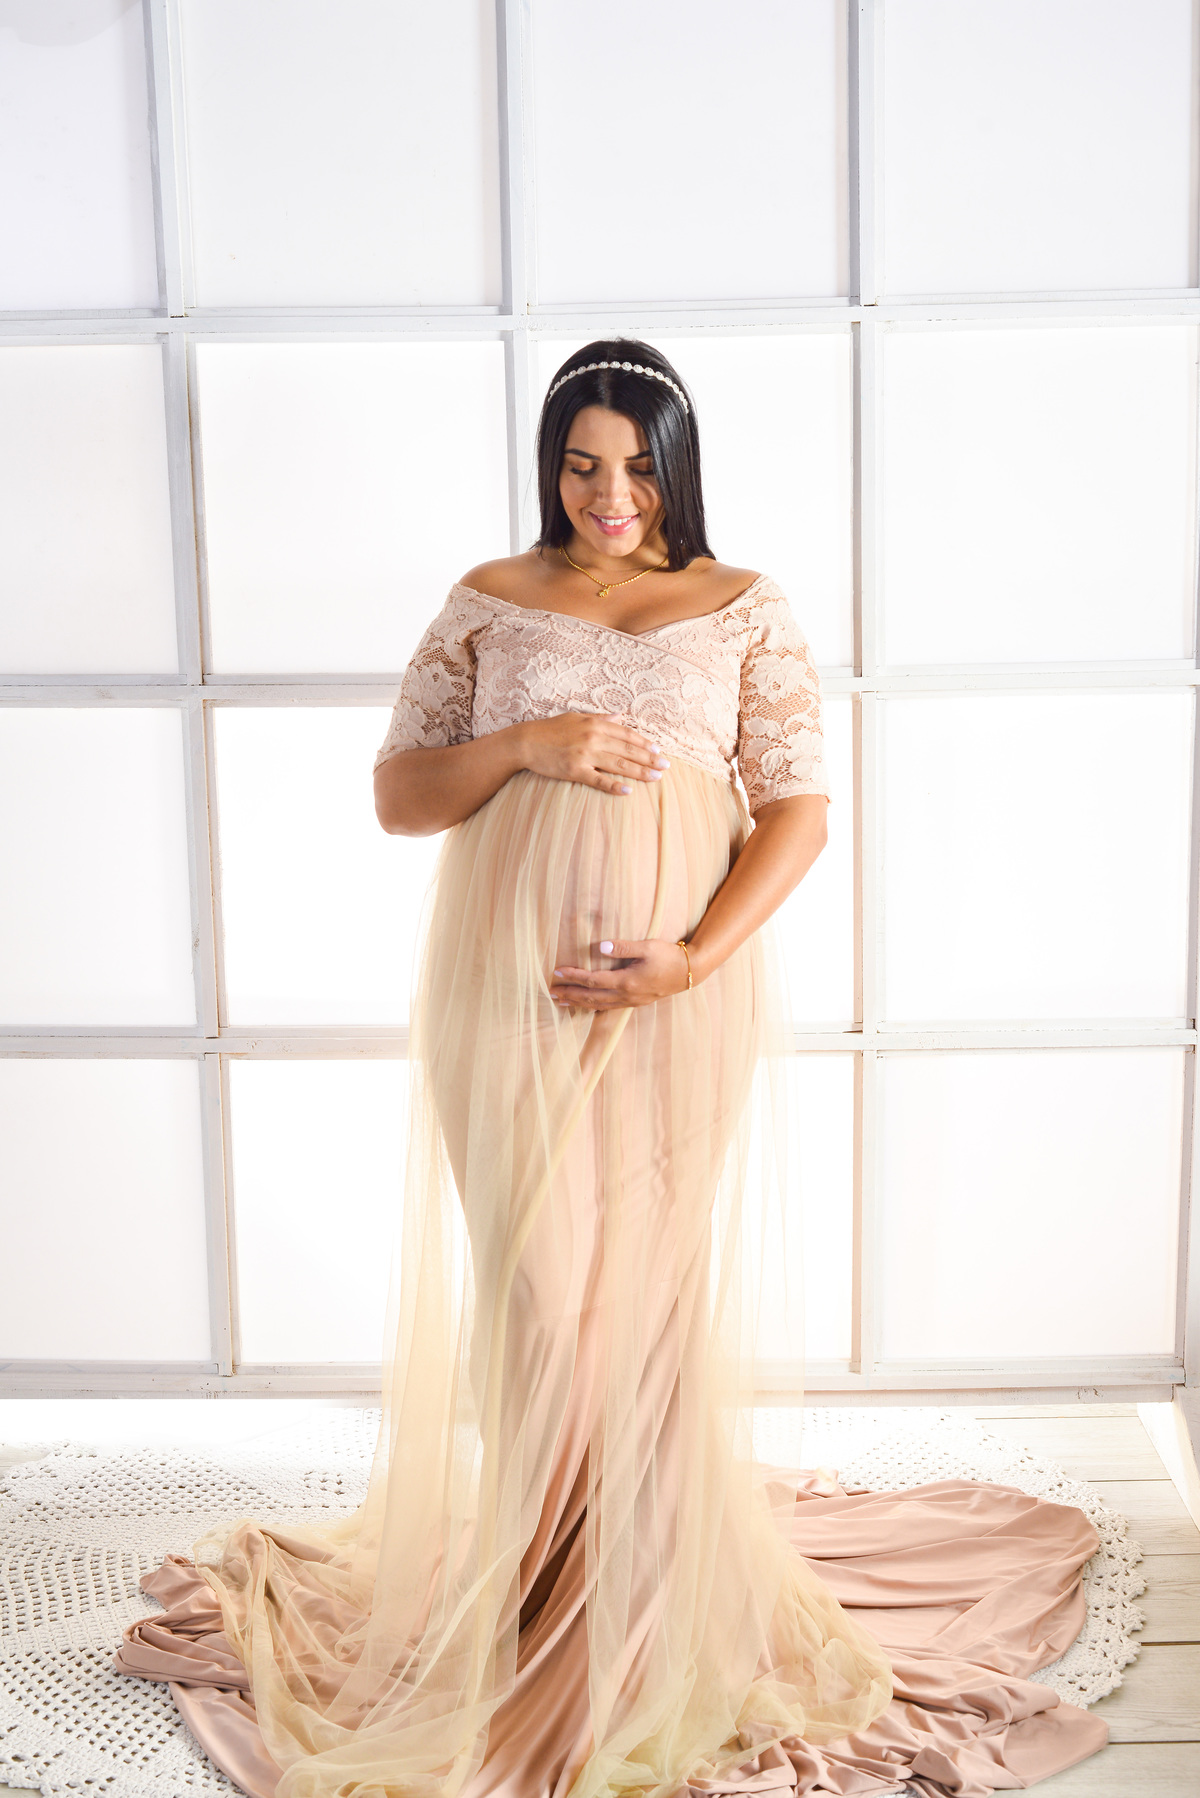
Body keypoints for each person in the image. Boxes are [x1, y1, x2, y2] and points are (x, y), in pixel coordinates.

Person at [115, 341, 1108, 1798]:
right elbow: (400, 794)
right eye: (582, 465)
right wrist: (531, 742)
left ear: (676, 466)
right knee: (540, 1298)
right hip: (505, 998)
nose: (610, 494)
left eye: (637, 465)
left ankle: (639, 1614)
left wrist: (692, 957)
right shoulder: (490, 598)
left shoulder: (744, 606)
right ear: (551, 467)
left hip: (676, 1006)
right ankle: (535, 1605)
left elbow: (799, 812)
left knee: (637, 1305)